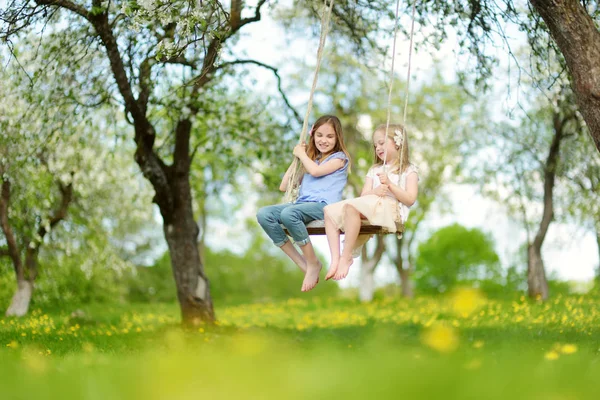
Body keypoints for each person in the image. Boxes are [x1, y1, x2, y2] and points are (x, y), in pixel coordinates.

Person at [256, 115, 351, 292]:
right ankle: (302, 262)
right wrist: (299, 159)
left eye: (330, 136)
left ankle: (313, 262)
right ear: (313, 136)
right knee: (264, 214)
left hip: (325, 207)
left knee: (288, 214)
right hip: (302, 205)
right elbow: (284, 186)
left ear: (338, 138)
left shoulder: (340, 159)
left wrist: (302, 155)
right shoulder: (310, 162)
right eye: (320, 135)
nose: (324, 140)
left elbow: (316, 172)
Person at [323, 123, 418, 281]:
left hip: (390, 209)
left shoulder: (408, 169)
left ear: (398, 143)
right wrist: (375, 191)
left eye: (381, 143)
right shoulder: (374, 170)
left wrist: (390, 185)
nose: (378, 148)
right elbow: (364, 196)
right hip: (370, 204)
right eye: (375, 145)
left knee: (351, 207)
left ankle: (346, 256)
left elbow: (410, 199)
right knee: (329, 211)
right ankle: (335, 258)